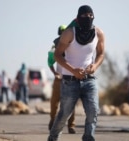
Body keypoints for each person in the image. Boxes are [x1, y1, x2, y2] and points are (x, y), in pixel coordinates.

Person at [47, 5, 105, 141]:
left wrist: (95, 66)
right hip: (69, 81)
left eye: (91, 15)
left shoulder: (99, 33)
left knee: (93, 111)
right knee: (64, 114)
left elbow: (101, 53)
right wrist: (73, 70)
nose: (88, 18)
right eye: (84, 16)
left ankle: (88, 138)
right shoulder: (69, 33)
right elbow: (57, 55)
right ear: (78, 17)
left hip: (89, 79)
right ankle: (53, 138)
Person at [47, 25, 76, 134]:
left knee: (70, 103)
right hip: (59, 79)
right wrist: (55, 73)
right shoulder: (55, 47)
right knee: (54, 102)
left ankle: (71, 125)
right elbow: (50, 62)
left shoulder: (73, 46)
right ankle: (52, 120)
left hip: (71, 79)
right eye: (62, 33)